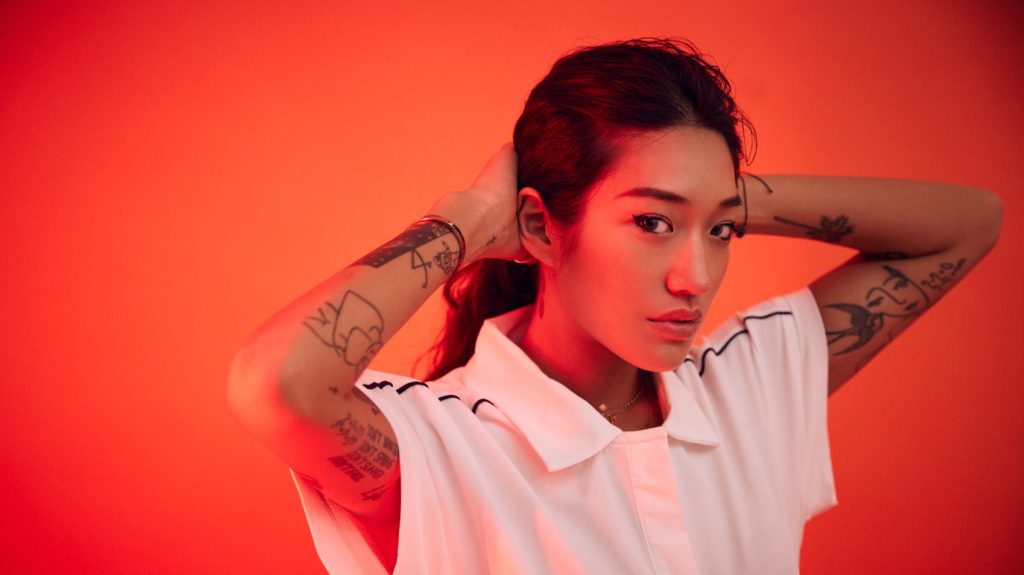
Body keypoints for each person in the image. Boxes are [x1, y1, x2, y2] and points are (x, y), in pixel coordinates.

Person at [227, 38, 1002, 574]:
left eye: (720, 232)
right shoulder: (440, 446)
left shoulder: (748, 387)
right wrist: (466, 222)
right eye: (652, 224)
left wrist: (709, 196)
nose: (695, 277)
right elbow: (275, 382)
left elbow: (972, 221)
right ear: (539, 226)